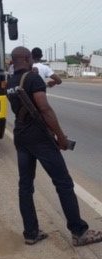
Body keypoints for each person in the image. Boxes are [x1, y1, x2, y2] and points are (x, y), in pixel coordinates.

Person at [7, 46, 102, 246]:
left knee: (25, 185)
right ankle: (79, 232)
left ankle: (31, 233)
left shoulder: (10, 82)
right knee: (63, 183)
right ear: (26, 58)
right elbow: (45, 109)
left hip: (21, 136)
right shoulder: (32, 79)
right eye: (30, 58)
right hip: (40, 138)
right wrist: (60, 136)